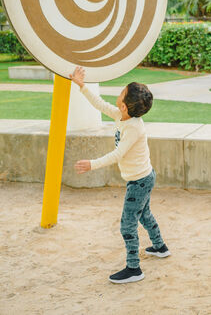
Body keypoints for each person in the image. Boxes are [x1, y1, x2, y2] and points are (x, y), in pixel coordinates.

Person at [69, 67, 170, 284]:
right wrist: (82, 85)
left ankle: (134, 268)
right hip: (143, 177)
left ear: (124, 105)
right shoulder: (120, 115)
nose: (118, 94)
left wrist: (91, 164)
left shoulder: (134, 128)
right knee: (144, 215)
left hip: (140, 182)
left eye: (121, 92)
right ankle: (160, 246)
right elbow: (100, 104)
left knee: (127, 224)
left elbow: (118, 154)